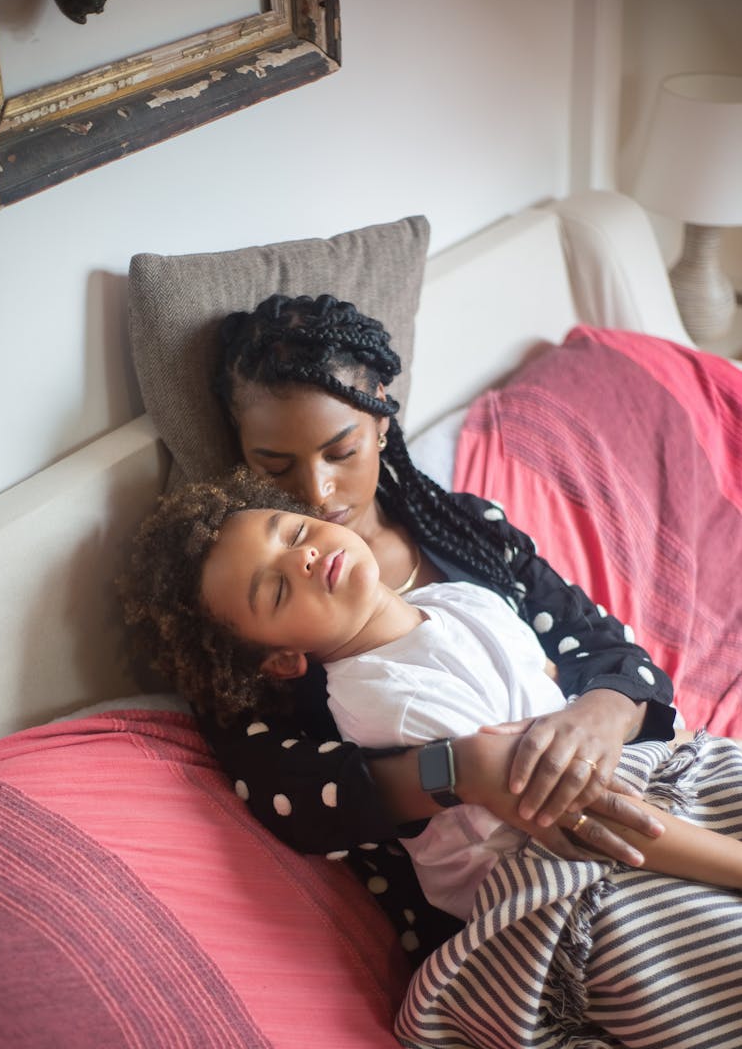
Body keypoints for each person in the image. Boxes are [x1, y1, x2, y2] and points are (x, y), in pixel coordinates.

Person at [121, 467, 742, 1049]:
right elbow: (586, 820)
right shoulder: (386, 706)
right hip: (568, 879)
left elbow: (561, 683)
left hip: (633, 802)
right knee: (698, 946)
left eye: (294, 531)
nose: (302, 557)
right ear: (281, 661)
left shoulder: (460, 600)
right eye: (276, 589)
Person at [196, 291, 677, 957]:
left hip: (631, 798)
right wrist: (462, 770)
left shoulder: (465, 535)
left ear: (383, 421)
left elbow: (614, 655)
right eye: (274, 467)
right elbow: (293, 795)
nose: (317, 493)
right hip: (518, 915)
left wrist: (596, 716)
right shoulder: (257, 617)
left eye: (342, 452)